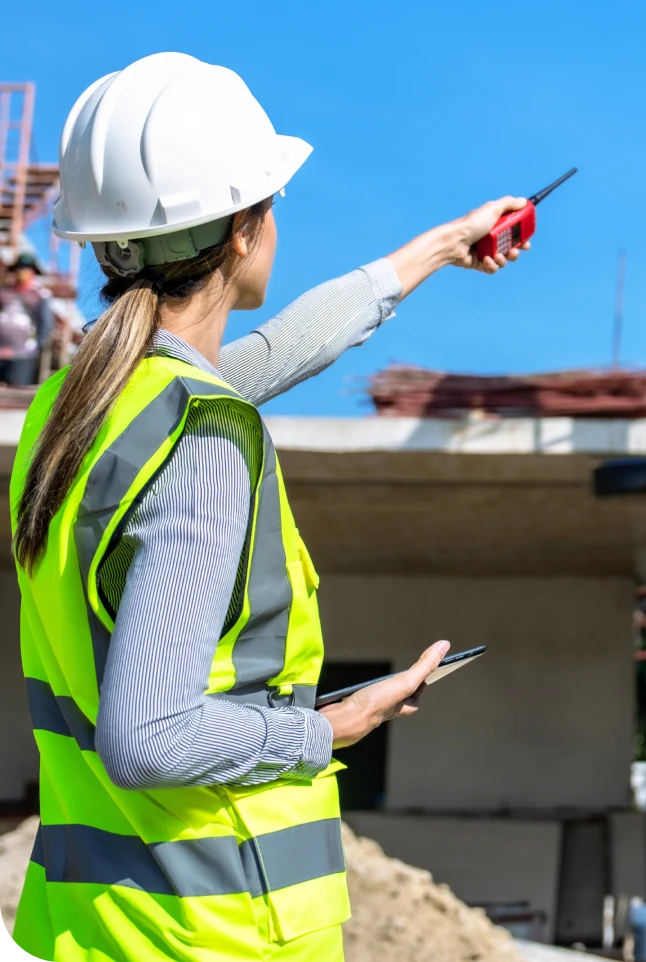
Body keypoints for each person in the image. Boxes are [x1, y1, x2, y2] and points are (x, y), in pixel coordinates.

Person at [12, 52, 532, 962]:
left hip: (90, 927)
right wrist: (331, 726)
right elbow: (149, 738)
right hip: (211, 933)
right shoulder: (201, 440)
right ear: (244, 232)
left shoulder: (77, 410)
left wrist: (446, 245)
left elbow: (282, 348)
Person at [0, 253, 55, 386]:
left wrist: (34, 347)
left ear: (33, 271)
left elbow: (46, 324)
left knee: (16, 392)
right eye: (19, 267)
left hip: (22, 355)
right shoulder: (3, 292)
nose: (21, 271)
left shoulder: (40, 295)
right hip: (1, 351)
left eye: (26, 267)